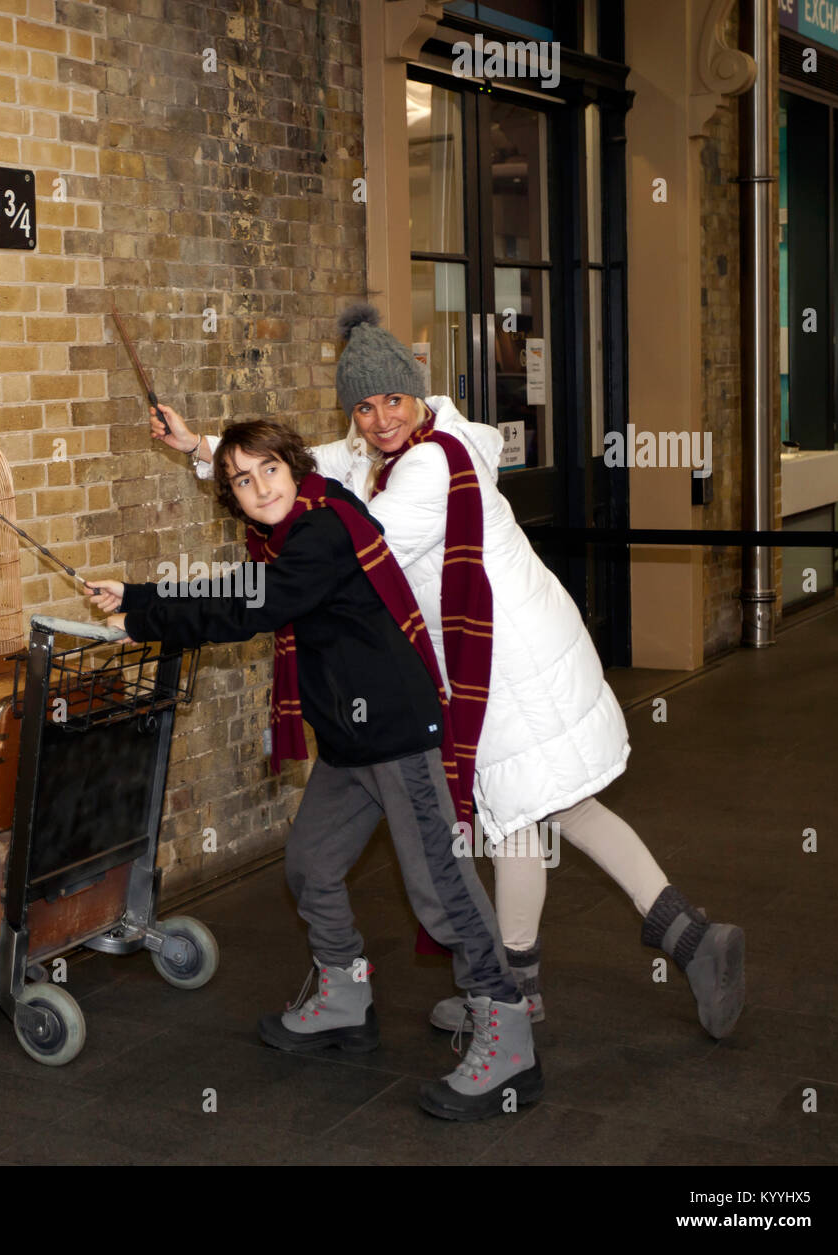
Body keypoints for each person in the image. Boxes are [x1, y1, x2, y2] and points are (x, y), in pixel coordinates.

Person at [147, 305, 746, 1042]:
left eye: (390, 400)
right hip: (500, 653)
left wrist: (243, 549)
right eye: (362, 407)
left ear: (415, 390)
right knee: (541, 814)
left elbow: (353, 541)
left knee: (533, 815)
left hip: (505, 662)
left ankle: (542, 984)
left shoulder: (428, 466)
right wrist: (203, 447)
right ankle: (618, 958)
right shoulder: (402, 446)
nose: (377, 420)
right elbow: (319, 468)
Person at [87, 419, 543, 1121]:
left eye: (268, 469)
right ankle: (344, 998)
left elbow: (253, 603)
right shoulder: (297, 529)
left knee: (441, 891)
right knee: (311, 863)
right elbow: (247, 587)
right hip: (349, 738)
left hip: (394, 731)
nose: (259, 486)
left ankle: (508, 1030)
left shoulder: (326, 528)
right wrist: (139, 597)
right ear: (233, 495)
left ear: (293, 467)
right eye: (242, 479)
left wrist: (147, 614)